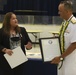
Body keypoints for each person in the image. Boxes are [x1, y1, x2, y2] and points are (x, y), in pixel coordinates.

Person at [51, 1, 76, 75]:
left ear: (67, 11)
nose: (58, 13)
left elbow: (74, 45)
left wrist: (61, 57)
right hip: (62, 60)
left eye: (60, 11)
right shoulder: (65, 22)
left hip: (71, 61)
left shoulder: (74, 24)